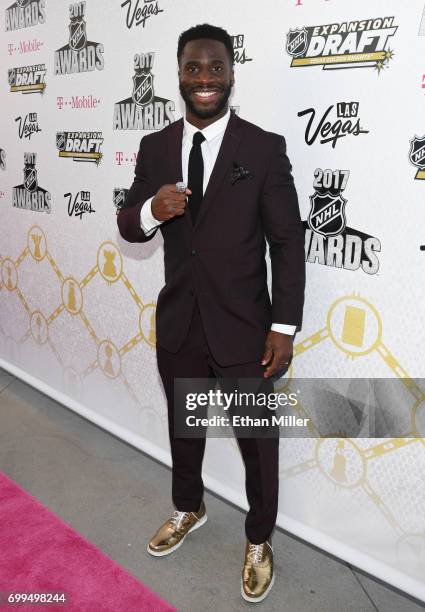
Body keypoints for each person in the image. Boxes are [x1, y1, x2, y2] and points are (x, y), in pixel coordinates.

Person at [117, 23, 305, 604]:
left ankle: (258, 537)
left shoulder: (262, 147)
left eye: (215, 68)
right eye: (194, 68)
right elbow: (128, 221)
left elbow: (286, 244)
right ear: (178, 73)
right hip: (180, 322)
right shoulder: (154, 147)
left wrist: (283, 325)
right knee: (185, 430)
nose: (204, 79)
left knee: (258, 442)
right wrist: (151, 207)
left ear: (230, 73)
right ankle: (188, 507)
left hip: (247, 329)